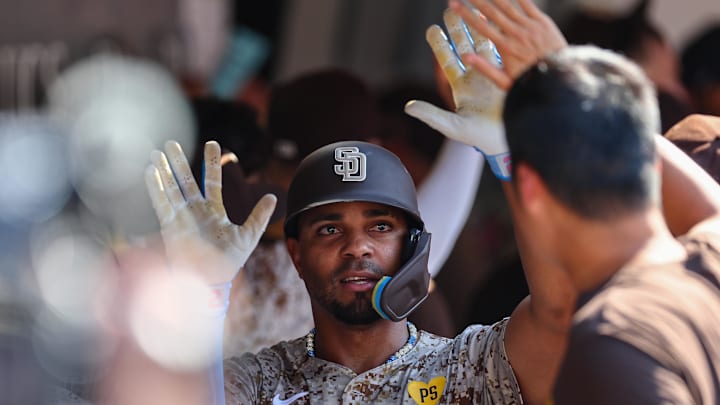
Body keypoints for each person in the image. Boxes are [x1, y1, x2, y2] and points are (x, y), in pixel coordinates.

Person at [145, 6, 572, 404]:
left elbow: (558, 317)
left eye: (380, 227)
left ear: (414, 244)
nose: (357, 247)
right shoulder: (260, 380)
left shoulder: (470, 366)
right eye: (329, 229)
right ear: (296, 253)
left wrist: (512, 159)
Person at [442, 0, 720, 403]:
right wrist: (566, 75)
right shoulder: (710, 260)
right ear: (652, 168)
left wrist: (562, 74)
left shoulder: (613, 345)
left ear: (532, 191)